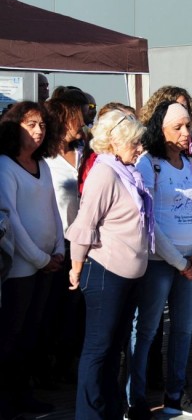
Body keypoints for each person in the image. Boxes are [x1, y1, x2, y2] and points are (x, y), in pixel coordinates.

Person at [127, 102, 192, 418]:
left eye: (188, 125)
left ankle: (176, 395)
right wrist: (179, 261)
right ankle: (135, 400)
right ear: (159, 130)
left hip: (190, 263)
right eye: (178, 127)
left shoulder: (189, 164)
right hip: (160, 263)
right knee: (146, 331)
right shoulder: (149, 164)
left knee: (184, 329)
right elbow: (149, 220)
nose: (186, 132)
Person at [65, 109, 149, 420]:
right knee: (98, 349)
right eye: (134, 143)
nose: (139, 149)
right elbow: (85, 224)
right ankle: (88, 414)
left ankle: (111, 411)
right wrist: (76, 268)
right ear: (114, 142)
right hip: (105, 273)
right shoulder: (104, 173)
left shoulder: (128, 172)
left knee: (115, 348)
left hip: (130, 274)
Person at [0, 101, 63, 417]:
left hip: (47, 264)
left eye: (42, 124)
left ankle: (24, 394)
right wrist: (40, 259)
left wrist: (60, 248)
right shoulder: (4, 166)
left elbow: (54, 209)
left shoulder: (44, 165)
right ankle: (5, 401)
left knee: (32, 333)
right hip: (21, 268)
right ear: (15, 128)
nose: (39, 130)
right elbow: (10, 221)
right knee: (10, 335)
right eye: (31, 124)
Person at [42, 99, 86, 384]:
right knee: (53, 310)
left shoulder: (86, 153)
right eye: (74, 118)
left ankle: (68, 364)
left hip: (86, 244)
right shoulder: (46, 160)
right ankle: (47, 367)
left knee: (77, 311)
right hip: (57, 245)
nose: (81, 122)